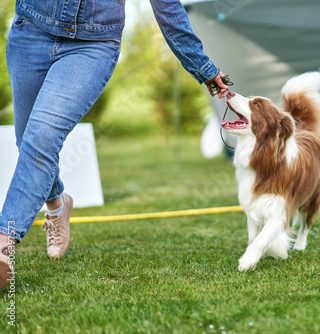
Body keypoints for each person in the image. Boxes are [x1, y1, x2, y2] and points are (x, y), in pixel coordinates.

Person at [0, 0, 228, 290]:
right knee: (25, 139)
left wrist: (202, 67)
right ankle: (57, 204)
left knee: (42, 138)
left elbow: (167, 7)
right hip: (32, 29)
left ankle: (4, 244)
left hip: (91, 44)